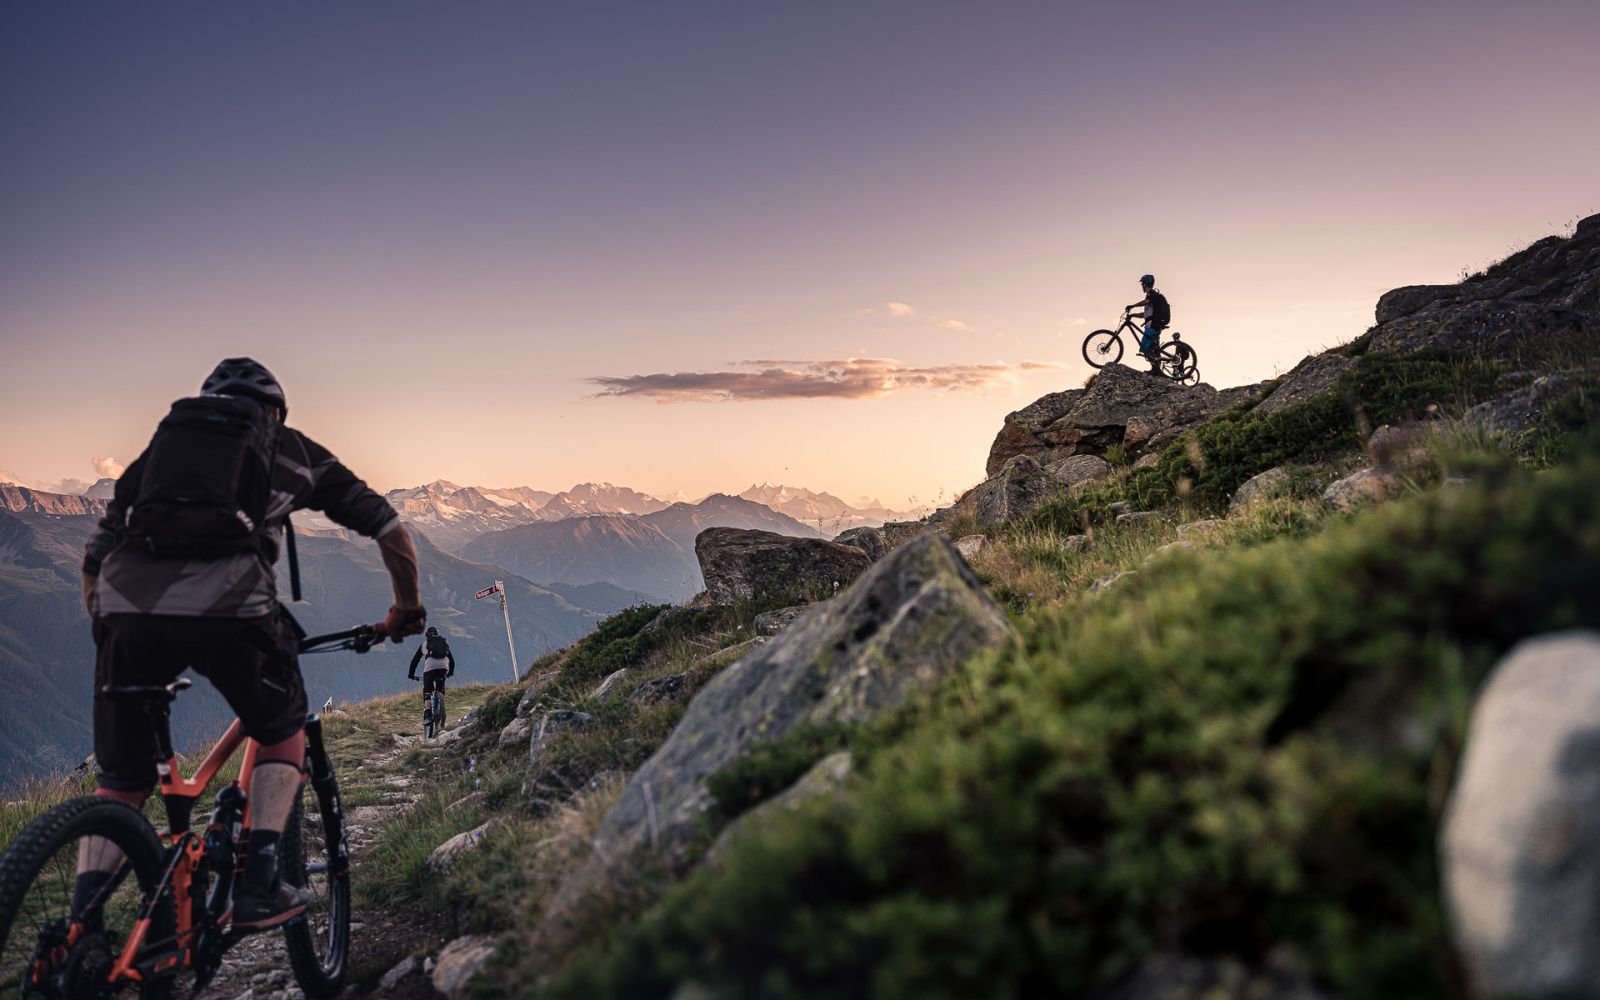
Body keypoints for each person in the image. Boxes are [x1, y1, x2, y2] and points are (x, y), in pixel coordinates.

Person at [77, 357, 426, 932]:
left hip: (126, 612)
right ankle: (259, 882)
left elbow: (94, 559)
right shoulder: (289, 447)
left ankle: (78, 932)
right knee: (282, 726)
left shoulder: (159, 454)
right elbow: (390, 529)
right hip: (231, 611)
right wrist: (405, 609)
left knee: (121, 781)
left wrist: (109, 626)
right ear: (274, 411)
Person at [1124, 274, 1171, 371]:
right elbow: (1145, 314)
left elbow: (1145, 302)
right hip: (1156, 324)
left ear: (1146, 284)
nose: (1142, 286)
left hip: (1153, 325)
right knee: (1155, 350)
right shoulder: (1152, 298)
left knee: (1145, 348)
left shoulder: (1152, 295)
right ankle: (1157, 370)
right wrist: (1133, 315)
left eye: (1142, 284)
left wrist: (1132, 306)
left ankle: (1156, 368)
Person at [408, 625, 456, 714]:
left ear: (427, 635)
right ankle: (441, 703)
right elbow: (452, 660)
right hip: (443, 668)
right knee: (440, 688)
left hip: (430, 669)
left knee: (427, 691)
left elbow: (415, 660)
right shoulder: (443, 643)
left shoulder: (425, 644)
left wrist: (411, 674)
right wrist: (450, 672)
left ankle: (428, 712)